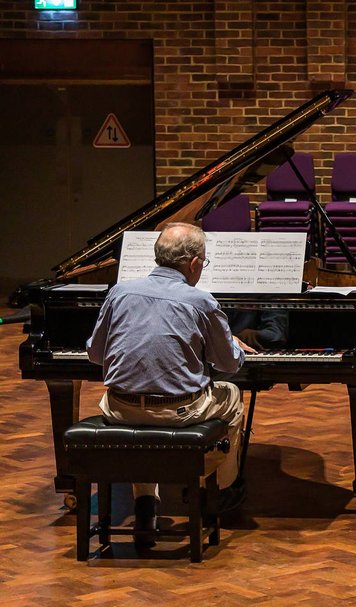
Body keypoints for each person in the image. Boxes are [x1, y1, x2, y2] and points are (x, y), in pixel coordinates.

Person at [86, 222, 253, 549]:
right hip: (178, 412)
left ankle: (146, 504)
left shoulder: (119, 292)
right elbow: (229, 365)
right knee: (231, 395)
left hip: (120, 409)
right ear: (193, 264)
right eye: (202, 263)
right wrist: (228, 343)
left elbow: (95, 354)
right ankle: (213, 486)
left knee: (140, 419)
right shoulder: (201, 302)